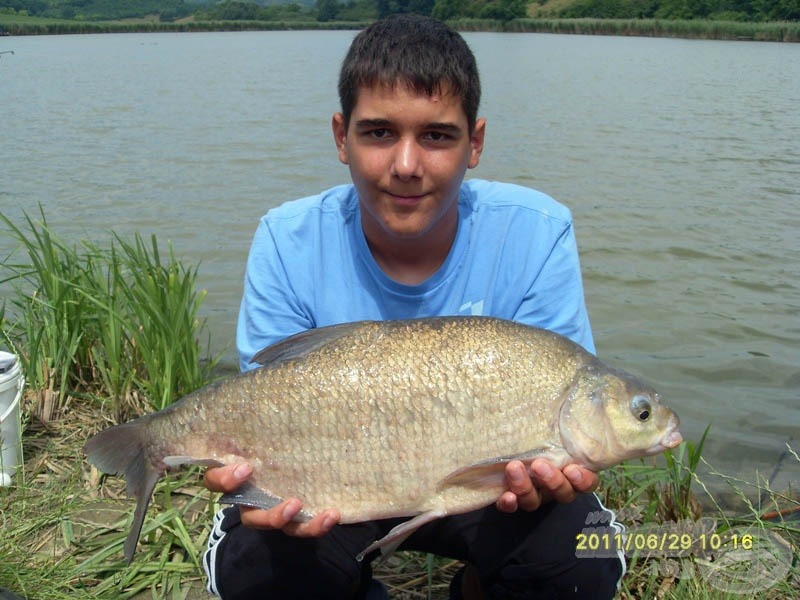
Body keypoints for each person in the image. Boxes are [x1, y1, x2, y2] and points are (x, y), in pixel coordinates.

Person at [203, 14, 624, 599]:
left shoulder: (537, 231)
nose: (406, 165)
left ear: (474, 143)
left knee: (581, 561)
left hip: (487, 484)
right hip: (336, 476)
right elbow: (266, 402)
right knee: (259, 572)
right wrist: (253, 477)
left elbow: (562, 413)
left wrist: (550, 479)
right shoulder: (287, 238)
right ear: (339, 136)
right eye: (378, 133)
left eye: (436, 136)